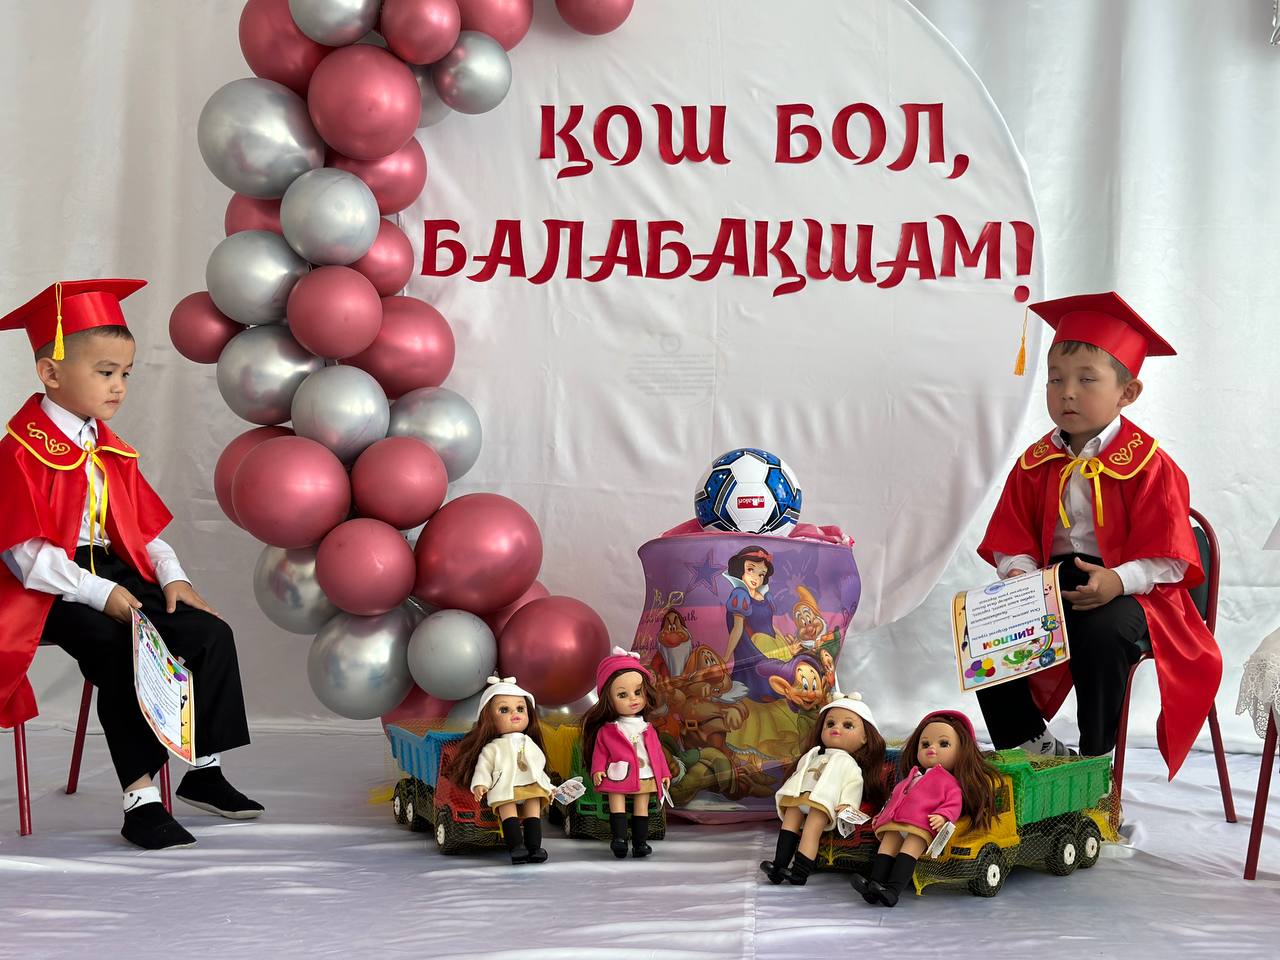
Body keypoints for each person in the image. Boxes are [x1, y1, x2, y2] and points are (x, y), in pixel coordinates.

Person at [0, 279, 262, 850]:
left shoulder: (108, 448)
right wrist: (100, 595)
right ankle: (140, 800)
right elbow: (25, 556)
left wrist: (173, 577)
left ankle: (204, 771)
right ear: (50, 373)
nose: (119, 386)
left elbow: (141, 531)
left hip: (115, 570)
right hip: (48, 590)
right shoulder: (20, 452)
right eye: (105, 372)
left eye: (126, 373)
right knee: (123, 651)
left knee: (210, 634)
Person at [976, 292, 1221, 775]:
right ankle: (1030, 747)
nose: (1067, 392)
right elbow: (1011, 536)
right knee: (988, 630)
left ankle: (1095, 757)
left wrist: (1118, 580)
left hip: (1138, 592)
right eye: (1055, 380)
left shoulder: (1151, 466)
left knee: (1101, 632)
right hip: (1052, 582)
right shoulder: (1035, 463)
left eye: (1087, 380)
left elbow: (1172, 557)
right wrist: (1021, 575)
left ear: (1127, 393)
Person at [853, 710, 998, 908]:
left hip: (921, 825)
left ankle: (893, 891)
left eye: (944, 744)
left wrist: (943, 816)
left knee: (909, 851)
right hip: (896, 822)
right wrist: (882, 815)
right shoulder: (912, 776)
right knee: (886, 846)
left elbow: (954, 804)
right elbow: (893, 799)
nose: (932, 748)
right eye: (925, 744)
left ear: (961, 751)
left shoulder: (949, 782)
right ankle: (874, 884)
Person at [759, 689, 886, 886]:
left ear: (865, 738)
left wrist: (848, 805)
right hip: (799, 795)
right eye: (830, 723)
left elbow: (853, 785)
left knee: (811, 831)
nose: (836, 728)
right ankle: (779, 865)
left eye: (848, 725)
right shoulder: (814, 754)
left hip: (823, 801)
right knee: (788, 826)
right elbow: (799, 773)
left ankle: (799, 872)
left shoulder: (849, 763)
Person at [445, 675, 553, 865]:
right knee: (507, 809)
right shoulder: (493, 747)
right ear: (489, 718)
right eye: (504, 710)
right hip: (504, 785)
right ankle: (516, 847)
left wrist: (549, 786)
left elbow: (538, 767)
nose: (515, 714)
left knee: (533, 808)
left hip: (530, 783)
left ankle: (534, 847)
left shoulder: (529, 742)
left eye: (520, 709)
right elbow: (484, 767)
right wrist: (480, 784)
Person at [581, 647, 672, 859]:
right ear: (609, 699)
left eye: (638, 692)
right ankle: (619, 840)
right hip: (618, 772)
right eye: (623, 695)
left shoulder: (648, 728)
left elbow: (657, 754)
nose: (633, 699)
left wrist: (664, 773)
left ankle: (640, 843)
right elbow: (600, 751)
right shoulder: (609, 729)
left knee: (642, 807)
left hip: (646, 773)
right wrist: (597, 769)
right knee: (617, 805)